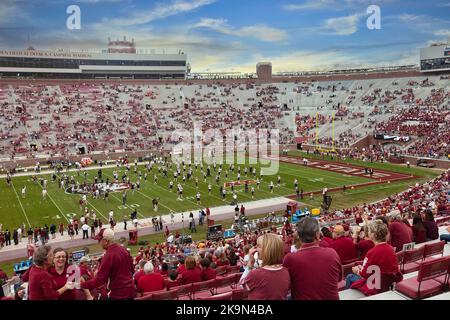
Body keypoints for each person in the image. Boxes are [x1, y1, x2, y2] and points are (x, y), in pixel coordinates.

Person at [283, 217, 342, 300]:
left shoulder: (290, 258)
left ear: (299, 237)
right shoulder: (332, 253)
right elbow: (339, 278)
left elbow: (285, 287)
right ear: (317, 235)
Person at [345, 220, 401, 295]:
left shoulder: (372, 252)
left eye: (369, 231)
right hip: (385, 283)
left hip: (376, 286)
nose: (368, 233)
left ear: (373, 234)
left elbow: (364, 274)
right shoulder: (390, 248)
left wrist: (357, 271)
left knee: (349, 276)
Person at [81, 228, 135, 299]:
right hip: (131, 290)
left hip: (118, 294)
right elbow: (132, 269)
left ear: (106, 241)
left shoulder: (108, 256)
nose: (99, 242)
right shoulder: (123, 249)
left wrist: (82, 285)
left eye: (99, 240)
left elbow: (99, 280)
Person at [241, 233, 290, 300]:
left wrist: (250, 264)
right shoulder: (285, 271)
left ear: (267, 250)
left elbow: (241, 286)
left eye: (259, 246)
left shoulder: (256, 274)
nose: (255, 249)